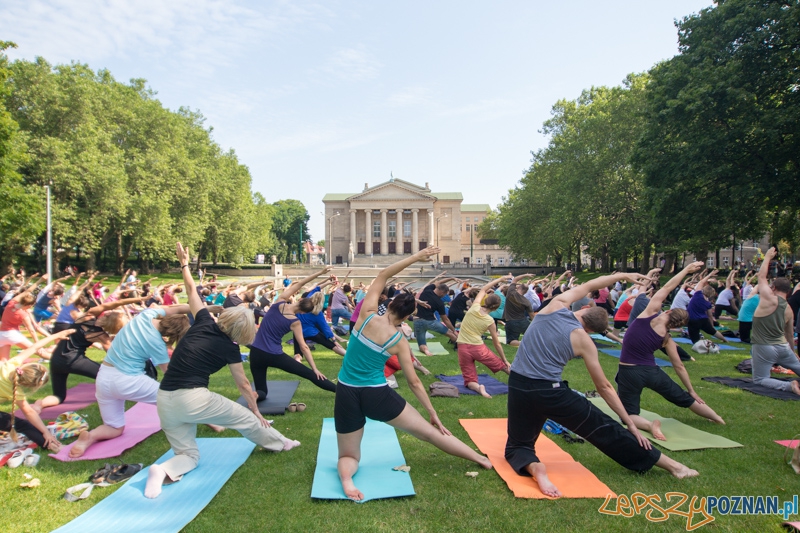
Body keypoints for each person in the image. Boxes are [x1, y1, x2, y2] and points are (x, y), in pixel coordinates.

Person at [504, 271, 698, 499]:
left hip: (517, 385)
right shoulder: (584, 341)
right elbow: (604, 387)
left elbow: (591, 284)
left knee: (517, 447)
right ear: (591, 330)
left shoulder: (554, 305)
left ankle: (535, 467)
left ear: (585, 309)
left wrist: (623, 275)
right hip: (550, 392)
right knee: (605, 429)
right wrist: (630, 424)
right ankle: (675, 467)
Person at [144, 243, 301, 499]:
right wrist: (254, 410)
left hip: (164, 399)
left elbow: (191, 292)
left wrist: (185, 264)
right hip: (191, 397)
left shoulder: (204, 321)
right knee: (247, 420)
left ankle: (162, 470)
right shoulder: (230, 348)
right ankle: (281, 442)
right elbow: (243, 385)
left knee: (188, 456)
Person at [335, 247, 492, 501]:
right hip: (376, 395)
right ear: (408, 316)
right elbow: (415, 382)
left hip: (346, 392)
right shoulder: (398, 341)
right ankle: (480, 459)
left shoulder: (365, 315)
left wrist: (417, 257)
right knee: (430, 433)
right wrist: (432, 414)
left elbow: (384, 274)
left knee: (349, 456)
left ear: (389, 304)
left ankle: (346, 479)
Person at [615, 262, 724, 441]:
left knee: (627, 415)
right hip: (652, 372)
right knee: (684, 399)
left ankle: (650, 425)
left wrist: (686, 270)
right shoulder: (666, 338)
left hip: (629, 371)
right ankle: (718, 418)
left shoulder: (649, 315)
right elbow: (678, 365)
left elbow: (667, 287)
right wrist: (691, 390)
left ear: (670, 310)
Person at [67, 302, 191, 458]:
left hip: (103, 378)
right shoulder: (158, 344)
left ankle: (90, 437)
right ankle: (212, 421)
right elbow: (170, 374)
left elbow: (177, 308)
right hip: (128, 381)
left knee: (114, 428)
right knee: (174, 399)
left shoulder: (144, 316)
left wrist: (202, 308)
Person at [248, 267, 337, 401]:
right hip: (273, 355)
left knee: (262, 391)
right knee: (310, 374)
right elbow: (304, 347)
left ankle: (255, 395)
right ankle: (340, 391)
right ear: (303, 312)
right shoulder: (295, 322)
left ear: (300, 301)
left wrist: (320, 273)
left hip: (255, 353)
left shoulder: (279, 302)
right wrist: (314, 369)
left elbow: (299, 284)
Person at [42, 295, 145, 408]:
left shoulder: (88, 316)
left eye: (111, 312)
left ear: (108, 316)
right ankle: (134, 393)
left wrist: (138, 299)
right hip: (73, 361)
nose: (108, 311)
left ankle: (38, 405)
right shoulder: (102, 336)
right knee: (109, 375)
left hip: (56, 360)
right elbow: (114, 356)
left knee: (58, 396)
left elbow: (114, 303)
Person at [0, 330, 75, 452]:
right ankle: (53, 445)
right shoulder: (15, 390)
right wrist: (46, 433)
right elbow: (29, 413)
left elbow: (34, 347)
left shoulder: (11, 364)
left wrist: (56, 335)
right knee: (23, 425)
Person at [750, 247, 800, 395]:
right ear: (789, 292)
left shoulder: (768, 298)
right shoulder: (789, 310)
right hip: (783, 348)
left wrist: (767, 257)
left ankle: (790, 386)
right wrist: (793, 352)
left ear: (773, 287)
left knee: (760, 379)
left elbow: (762, 277)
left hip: (764, 348)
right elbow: (790, 334)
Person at [456, 277, 510, 398]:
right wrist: (505, 360)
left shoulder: (474, 308)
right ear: (496, 308)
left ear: (486, 300)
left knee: (469, 380)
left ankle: (478, 388)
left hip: (462, 347)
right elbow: (497, 343)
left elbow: (484, 289)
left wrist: (501, 279)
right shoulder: (489, 321)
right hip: (478, 348)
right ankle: (520, 382)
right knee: (500, 365)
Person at [293, 291, 346, 358]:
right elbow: (325, 328)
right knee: (331, 345)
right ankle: (348, 356)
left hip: (298, 332)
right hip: (312, 333)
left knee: (298, 353)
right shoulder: (317, 312)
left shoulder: (302, 306)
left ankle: (298, 360)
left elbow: (313, 289)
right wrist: (334, 341)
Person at [414, 281, 458, 355]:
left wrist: (450, 279)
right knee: (450, 334)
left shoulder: (427, 290)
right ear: (442, 292)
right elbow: (445, 319)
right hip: (430, 322)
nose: (444, 296)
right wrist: (454, 330)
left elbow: (438, 282)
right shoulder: (439, 302)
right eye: (444, 294)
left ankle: (425, 350)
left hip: (417, 321)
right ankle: (459, 346)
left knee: (422, 343)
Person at [686, 270, 728, 345]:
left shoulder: (698, 294)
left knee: (695, 339)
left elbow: (701, 282)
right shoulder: (708, 303)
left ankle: (699, 345)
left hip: (692, 320)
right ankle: (724, 339)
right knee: (713, 331)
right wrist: (711, 325)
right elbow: (710, 315)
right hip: (703, 320)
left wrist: (710, 274)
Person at [502, 274, 535, 347]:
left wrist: (526, 275)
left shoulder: (511, 293)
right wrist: (536, 324)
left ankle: (523, 344)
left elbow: (515, 279)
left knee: (511, 341)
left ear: (518, 287)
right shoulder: (526, 302)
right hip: (523, 321)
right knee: (532, 336)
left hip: (511, 321)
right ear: (526, 292)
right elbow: (532, 315)